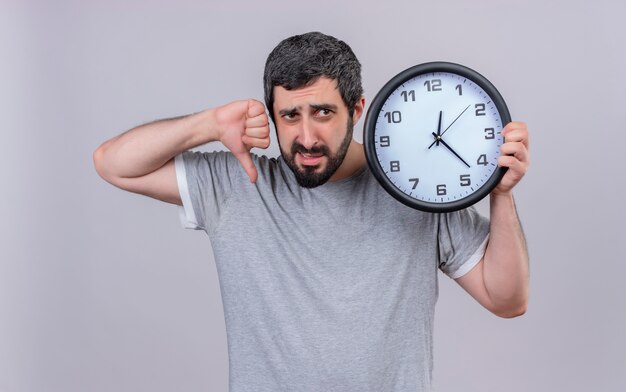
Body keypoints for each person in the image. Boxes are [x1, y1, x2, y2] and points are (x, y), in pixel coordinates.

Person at [93, 32, 529, 392]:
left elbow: (506, 299)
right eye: (289, 115)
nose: (306, 136)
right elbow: (113, 163)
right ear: (272, 117)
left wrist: (501, 194)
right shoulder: (238, 186)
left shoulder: (417, 191)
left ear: (357, 109)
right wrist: (206, 125)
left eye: (323, 112)